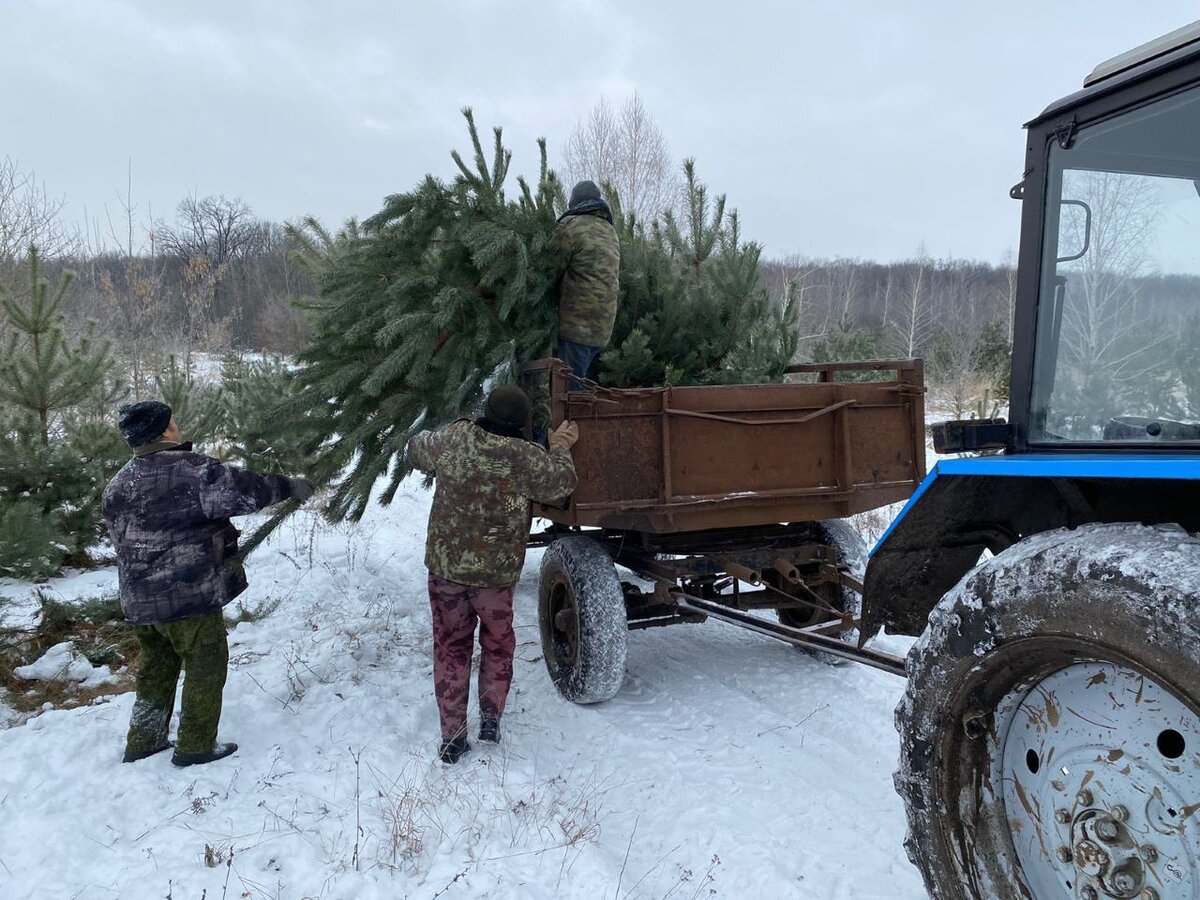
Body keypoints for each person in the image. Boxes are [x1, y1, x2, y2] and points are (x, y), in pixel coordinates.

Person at [102, 400, 314, 767]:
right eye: (173, 421)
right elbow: (248, 490)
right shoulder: (192, 471)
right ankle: (196, 745)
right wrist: (291, 486)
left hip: (140, 602)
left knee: (156, 667)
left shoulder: (119, 482)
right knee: (206, 664)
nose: (177, 426)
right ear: (165, 431)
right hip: (188, 596)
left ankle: (145, 739)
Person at [407, 385, 579, 763]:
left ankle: (452, 739)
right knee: (498, 645)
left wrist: (429, 433)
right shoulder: (526, 457)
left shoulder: (456, 438)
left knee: (451, 647)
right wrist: (561, 445)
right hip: (495, 579)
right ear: (521, 423)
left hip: (446, 570)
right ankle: (490, 718)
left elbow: (415, 450)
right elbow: (562, 484)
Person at [548, 179, 621, 384]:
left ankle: (573, 416)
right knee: (579, 381)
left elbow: (549, 268)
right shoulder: (610, 230)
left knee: (569, 393)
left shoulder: (570, 226)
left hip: (577, 325)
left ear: (573, 204)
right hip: (603, 325)